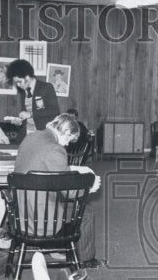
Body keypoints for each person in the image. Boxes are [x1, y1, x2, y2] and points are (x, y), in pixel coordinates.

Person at [13, 113, 100, 266]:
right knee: (86, 213)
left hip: (20, 214)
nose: (66, 145)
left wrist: (71, 169)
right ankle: (87, 260)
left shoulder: (31, 138)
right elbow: (70, 192)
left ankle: (52, 249)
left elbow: (43, 167)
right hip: (41, 219)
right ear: (66, 132)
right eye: (68, 139)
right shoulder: (56, 149)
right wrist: (89, 187)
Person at [2, 58, 60, 139]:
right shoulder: (23, 92)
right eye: (16, 83)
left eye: (19, 81)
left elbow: (54, 110)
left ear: (27, 77)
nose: (18, 85)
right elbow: (28, 116)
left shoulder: (46, 87)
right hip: (28, 135)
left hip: (44, 135)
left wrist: (31, 114)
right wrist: (20, 121)